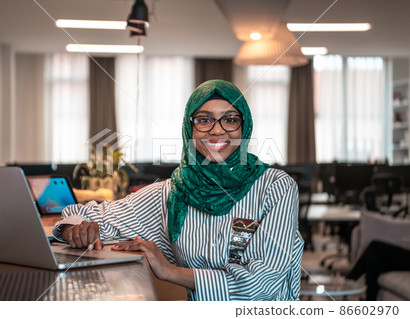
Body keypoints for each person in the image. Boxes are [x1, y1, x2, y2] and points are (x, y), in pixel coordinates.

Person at [53, 79, 304, 301]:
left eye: (230, 119)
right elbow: (85, 214)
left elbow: (264, 284)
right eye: (204, 120)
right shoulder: (171, 192)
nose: (217, 130)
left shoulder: (275, 186)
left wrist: (170, 271)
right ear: (189, 128)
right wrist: (74, 229)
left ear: (244, 126)